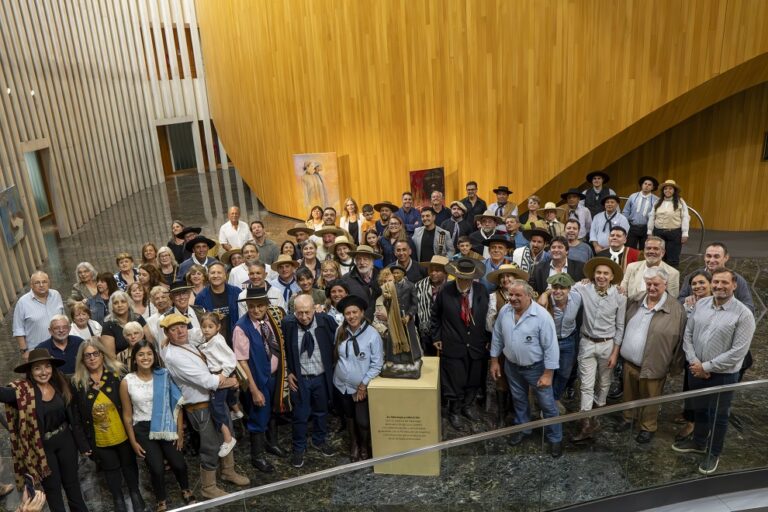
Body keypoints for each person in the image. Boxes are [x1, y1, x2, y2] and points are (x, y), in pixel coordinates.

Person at [673, 268, 755, 474]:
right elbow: (688, 333)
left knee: (718, 416)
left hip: (723, 375)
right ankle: (699, 442)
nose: (719, 286)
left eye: (724, 283)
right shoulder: (700, 304)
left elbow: (738, 352)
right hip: (696, 369)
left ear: (734, 285)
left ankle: (713, 452)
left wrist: (706, 367)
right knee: (699, 409)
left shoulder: (743, 314)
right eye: (716, 282)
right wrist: (694, 361)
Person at [162, 313, 250, 498]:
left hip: (215, 398)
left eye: (182, 327)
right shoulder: (174, 355)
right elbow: (207, 381)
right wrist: (232, 381)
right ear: (167, 333)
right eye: (173, 329)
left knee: (227, 435)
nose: (180, 331)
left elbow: (203, 331)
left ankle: (228, 471)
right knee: (211, 444)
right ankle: (208, 487)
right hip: (200, 405)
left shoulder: (185, 340)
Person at [1, 349, 89, 512]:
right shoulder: (22, 391)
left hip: (66, 441)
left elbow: (73, 418)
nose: (44, 372)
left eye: (47, 367)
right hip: (42, 448)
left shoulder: (61, 383)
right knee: (53, 490)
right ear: (30, 371)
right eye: (37, 368)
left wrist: (83, 444)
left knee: (73, 486)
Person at [71, 339, 149, 512]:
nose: (92, 358)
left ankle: (135, 493)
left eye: (95, 354)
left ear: (102, 354)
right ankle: (118, 499)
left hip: (124, 432)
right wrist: (82, 443)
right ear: (82, 359)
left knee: (129, 465)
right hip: (99, 437)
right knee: (110, 469)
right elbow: (75, 417)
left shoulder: (118, 373)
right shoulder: (77, 382)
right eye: (87, 355)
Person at [119, 340, 195, 512]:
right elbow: (127, 415)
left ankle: (186, 489)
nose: (145, 358)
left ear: (154, 356)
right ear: (134, 358)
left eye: (149, 354)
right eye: (141, 354)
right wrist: (132, 441)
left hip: (166, 425)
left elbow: (176, 405)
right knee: (156, 468)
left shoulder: (164, 375)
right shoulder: (127, 381)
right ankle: (161, 500)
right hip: (143, 429)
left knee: (179, 463)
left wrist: (180, 432)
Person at [490, 279, 562, 457]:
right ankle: (524, 429)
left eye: (517, 295)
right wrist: (494, 361)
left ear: (529, 296)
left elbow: (551, 347)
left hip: (537, 368)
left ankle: (555, 438)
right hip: (512, 367)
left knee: (547, 404)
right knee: (519, 400)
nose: (512, 298)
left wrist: (548, 374)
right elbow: (497, 336)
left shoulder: (542, 316)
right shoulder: (505, 311)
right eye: (510, 294)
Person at [615, 267, 686, 444]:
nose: (652, 288)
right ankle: (628, 418)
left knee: (651, 398)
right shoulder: (635, 300)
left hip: (655, 364)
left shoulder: (676, 310)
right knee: (629, 394)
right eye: (649, 284)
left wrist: (675, 366)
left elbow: (681, 341)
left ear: (665, 284)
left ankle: (648, 427)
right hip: (630, 362)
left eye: (656, 284)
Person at [233, 287, 290, 473]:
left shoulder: (271, 320)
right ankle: (257, 456)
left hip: (275, 377)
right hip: (258, 380)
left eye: (260, 306)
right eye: (252, 306)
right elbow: (241, 361)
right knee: (258, 416)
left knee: (273, 411)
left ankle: (271, 443)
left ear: (267, 305)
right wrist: (254, 389)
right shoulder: (241, 328)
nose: (256, 310)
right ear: (247, 307)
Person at [570, 257, 626, 442]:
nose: (601, 276)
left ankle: (598, 413)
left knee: (604, 382)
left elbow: (620, 326)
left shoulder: (620, 296)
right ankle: (585, 421)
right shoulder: (583, 288)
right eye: (598, 273)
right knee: (586, 384)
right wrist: (546, 294)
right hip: (586, 342)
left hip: (607, 344)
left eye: (605, 274)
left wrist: (615, 352)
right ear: (593, 275)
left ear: (612, 277)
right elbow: (562, 288)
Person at [431, 258, 489, 431]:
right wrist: (436, 337)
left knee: (474, 378)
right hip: (453, 342)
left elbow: (487, 317)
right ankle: (454, 411)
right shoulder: (445, 291)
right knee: (455, 380)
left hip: (477, 344)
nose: (465, 281)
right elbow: (435, 316)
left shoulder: (481, 290)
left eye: (468, 278)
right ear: (455, 276)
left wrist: (488, 339)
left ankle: (468, 406)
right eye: (461, 277)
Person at [281, 295, 338, 468]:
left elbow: (338, 340)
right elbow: (282, 351)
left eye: (307, 312)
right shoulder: (287, 325)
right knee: (300, 415)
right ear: (294, 312)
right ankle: (299, 448)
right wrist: (288, 372)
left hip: (321, 376)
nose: (304, 317)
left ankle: (319, 440)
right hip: (301, 379)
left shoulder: (325, 321)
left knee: (321, 411)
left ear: (314, 309)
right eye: (299, 313)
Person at [334, 295, 383, 461]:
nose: (351, 316)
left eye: (355, 312)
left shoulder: (372, 335)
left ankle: (364, 445)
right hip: (341, 385)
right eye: (348, 313)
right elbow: (337, 356)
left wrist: (363, 385)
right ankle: (354, 444)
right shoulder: (340, 331)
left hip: (361, 387)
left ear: (362, 313)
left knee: (362, 421)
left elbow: (377, 364)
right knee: (349, 417)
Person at [485, 264, 529, 428]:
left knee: (519, 380)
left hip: (523, 345)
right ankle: (502, 414)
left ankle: (515, 411)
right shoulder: (493, 297)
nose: (505, 279)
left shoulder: (526, 295)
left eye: (509, 276)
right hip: (503, 344)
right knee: (501, 380)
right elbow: (489, 325)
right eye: (502, 277)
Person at [536, 273, 582, 410]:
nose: (558, 291)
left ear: (569, 289)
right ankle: (546, 402)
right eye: (555, 287)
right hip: (550, 342)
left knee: (564, 373)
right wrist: (545, 294)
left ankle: (554, 398)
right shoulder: (545, 302)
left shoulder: (577, 297)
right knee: (547, 372)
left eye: (563, 288)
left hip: (568, 340)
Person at [198, 312, 240, 458]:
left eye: (210, 326)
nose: (206, 329)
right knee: (227, 397)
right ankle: (236, 410)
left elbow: (231, 359)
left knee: (216, 407)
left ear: (218, 327)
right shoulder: (211, 340)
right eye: (204, 327)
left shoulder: (217, 341)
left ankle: (228, 438)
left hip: (219, 375)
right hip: (217, 374)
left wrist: (224, 374)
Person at [678, 242, 755, 314]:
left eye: (716, 256)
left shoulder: (737, 280)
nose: (711, 260)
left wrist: (727, 309)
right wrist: (687, 300)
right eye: (708, 256)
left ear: (726, 257)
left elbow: (749, 308)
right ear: (704, 257)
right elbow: (679, 300)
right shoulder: (693, 276)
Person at [372, 268, 421, 378]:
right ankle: (393, 360)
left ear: (403, 274)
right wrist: (387, 302)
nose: (395, 275)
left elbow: (414, 304)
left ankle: (411, 359)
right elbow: (385, 303)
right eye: (394, 273)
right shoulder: (389, 287)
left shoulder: (410, 286)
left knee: (409, 339)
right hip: (393, 318)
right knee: (393, 339)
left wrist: (409, 315)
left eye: (397, 273)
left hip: (406, 317)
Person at [14, 271, 65, 358]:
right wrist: (24, 352)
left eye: (44, 282)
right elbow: (18, 329)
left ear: (49, 283)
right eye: (37, 282)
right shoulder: (22, 302)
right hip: (36, 351)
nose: (41, 285)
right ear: (31, 285)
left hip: (60, 347)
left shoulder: (56, 295)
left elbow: (64, 319)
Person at [194, 262, 241, 344]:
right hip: (213, 343)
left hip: (237, 339)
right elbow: (199, 324)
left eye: (219, 272)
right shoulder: (200, 297)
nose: (216, 276)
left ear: (225, 275)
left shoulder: (237, 292)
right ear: (208, 276)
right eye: (212, 273)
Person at [621, 236, 680, 302]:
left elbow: (672, 299)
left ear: (663, 253)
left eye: (656, 249)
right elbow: (623, 291)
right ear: (644, 251)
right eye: (648, 248)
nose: (651, 251)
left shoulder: (672, 273)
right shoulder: (631, 267)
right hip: (631, 307)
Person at [647, 179, 690, 268]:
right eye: (666, 189)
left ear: (674, 190)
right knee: (659, 256)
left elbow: (685, 217)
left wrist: (685, 233)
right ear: (663, 190)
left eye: (670, 188)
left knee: (672, 258)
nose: (668, 191)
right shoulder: (658, 202)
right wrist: (649, 231)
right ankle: (658, 278)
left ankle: (671, 280)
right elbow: (652, 216)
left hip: (674, 233)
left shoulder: (680, 201)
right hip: (658, 233)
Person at [101, 291, 153, 358]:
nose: (120, 305)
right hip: (121, 364)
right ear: (112, 306)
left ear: (128, 303)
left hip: (144, 360)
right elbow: (110, 357)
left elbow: (150, 343)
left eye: (123, 301)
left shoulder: (138, 318)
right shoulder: (108, 325)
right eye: (115, 303)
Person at [415, 256, 449, 356]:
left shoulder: (452, 286)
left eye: (438, 271)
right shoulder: (419, 286)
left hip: (447, 332)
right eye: (431, 270)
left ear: (445, 272)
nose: (433, 273)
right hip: (427, 334)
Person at [342, 245, 383, 321]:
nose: (362, 262)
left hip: (381, 322)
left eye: (365, 259)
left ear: (372, 261)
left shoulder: (383, 276)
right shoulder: (346, 279)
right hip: (357, 323)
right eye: (359, 259)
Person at [623, 176, 659, 250]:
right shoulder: (633, 196)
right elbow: (626, 211)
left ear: (652, 187)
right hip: (632, 227)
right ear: (642, 185)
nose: (646, 186)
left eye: (649, 185)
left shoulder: (656, 200)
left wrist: (652, 230)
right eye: (645, 183)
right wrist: (624, 226)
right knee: (629, 249)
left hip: (646, 229)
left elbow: (656, 216)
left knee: (645, 250)